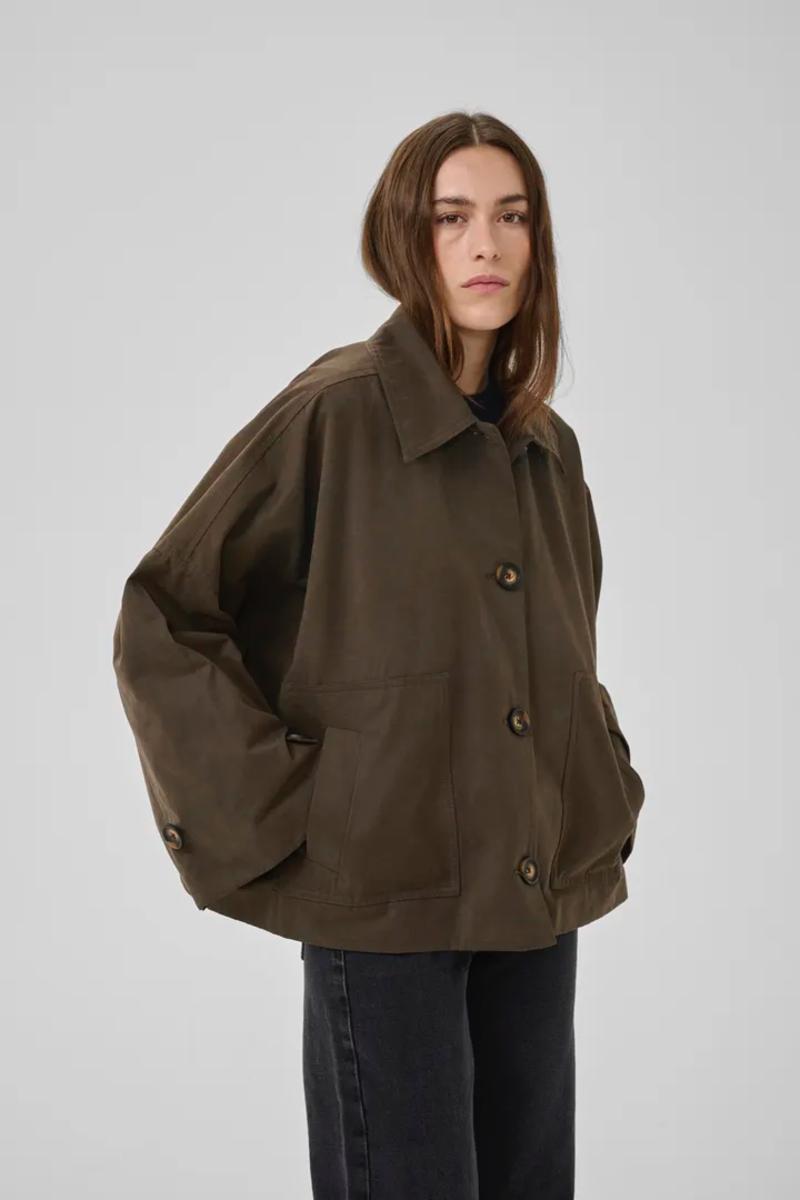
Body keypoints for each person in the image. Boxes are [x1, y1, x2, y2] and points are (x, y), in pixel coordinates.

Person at [112, 110, 646, 1199]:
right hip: (388, 901)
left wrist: (599, 771)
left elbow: (568, 640)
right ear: (406, 237)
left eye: (511, 217)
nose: (485, 245)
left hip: (531, 890)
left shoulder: (548, 447)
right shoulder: (337, 413)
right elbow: (164, 613)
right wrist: (290, 811)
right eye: (451, 218)